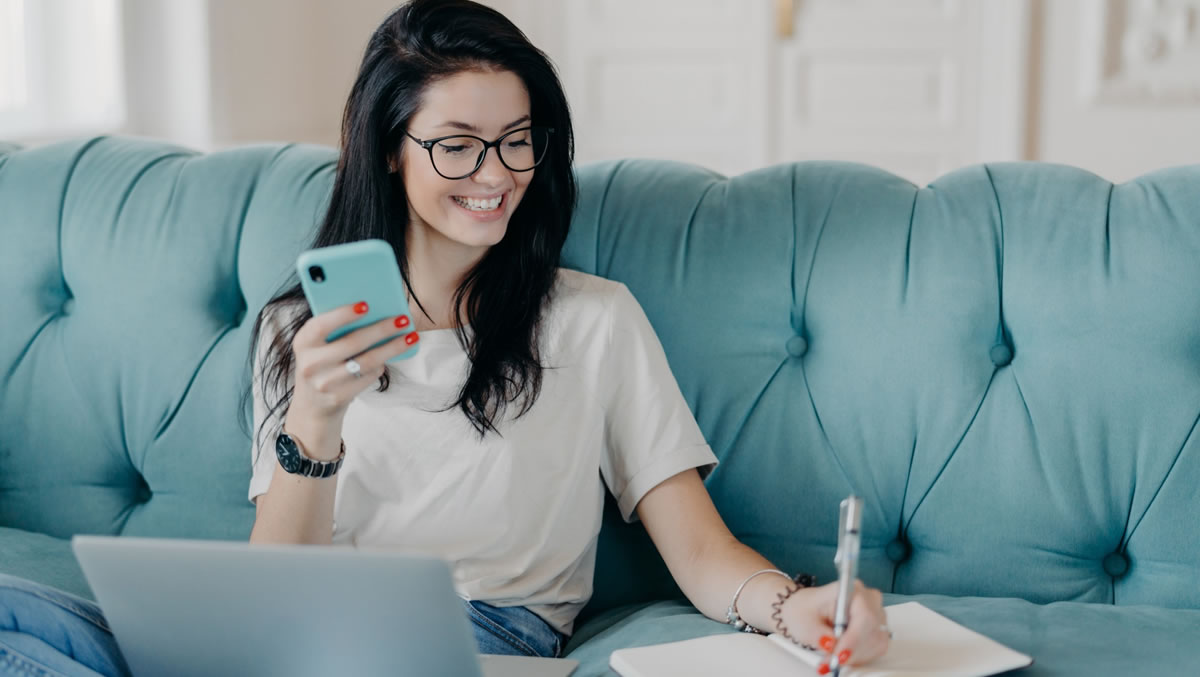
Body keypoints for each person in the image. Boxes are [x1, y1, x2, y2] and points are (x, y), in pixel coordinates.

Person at [0, 1, 889, 674]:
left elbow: (698, 551)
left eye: (516, 143)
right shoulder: (301, 329)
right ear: (391, 148)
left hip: (482, 633)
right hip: (305, 634)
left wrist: (791, 608)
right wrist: (313, 423)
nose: (495, 176)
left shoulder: (593, 319)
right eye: (458, 146)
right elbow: (275, 581)